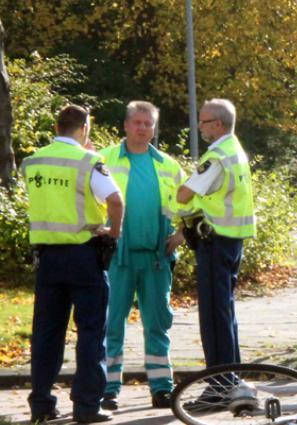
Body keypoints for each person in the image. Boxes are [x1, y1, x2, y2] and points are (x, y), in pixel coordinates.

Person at [23, 105, 124, 424]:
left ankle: (41, 405)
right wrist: (113, 233)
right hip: (84, 256)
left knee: (46, 333)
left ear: (57, 126)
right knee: (92, 331)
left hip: (48, 258)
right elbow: (116, 201)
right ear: (84, 128)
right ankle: (86, 405)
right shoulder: (90, 162)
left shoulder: (34, 161)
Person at [98, 101, 186, 411]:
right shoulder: (104, 159)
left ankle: (162, 388)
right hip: (116, 258)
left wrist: (181, 235)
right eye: (137, 122)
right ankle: (107, 388)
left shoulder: (168, 165)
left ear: (154, 128)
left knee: (158, 323)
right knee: (111, 324)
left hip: (156, 258)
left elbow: (191, 204)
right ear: (125, 125)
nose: (142, 128)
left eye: (148, 124)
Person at [177, 99, 255, 374]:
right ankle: (231, 377)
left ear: (218, 124)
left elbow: (184, 194)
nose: (199, 125)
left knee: (213, 315)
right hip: (232, 239)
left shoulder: (216, 156)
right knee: (225, 311)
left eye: (203, 121)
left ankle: (219, 383)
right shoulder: (236, 149)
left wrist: (178, 197)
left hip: (215, 240)